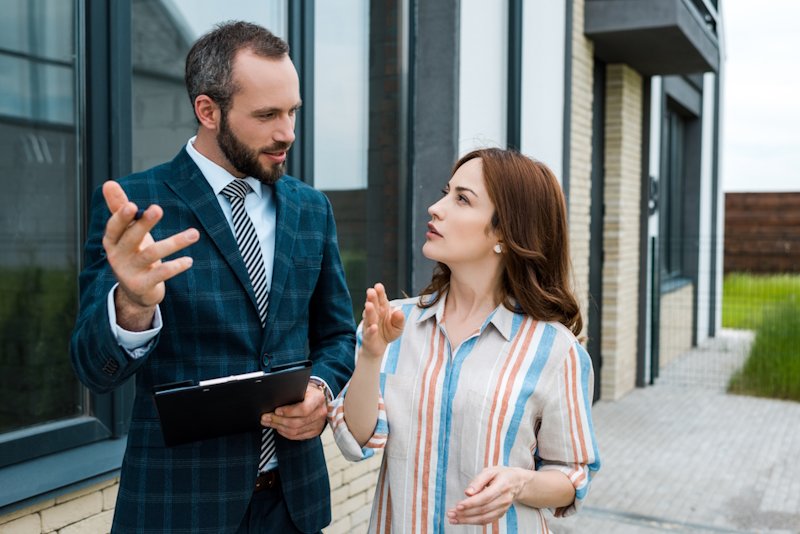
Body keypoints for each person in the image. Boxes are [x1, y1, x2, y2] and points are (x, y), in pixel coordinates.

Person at [70, 21, 356, 533]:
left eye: (292, 111)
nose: (287, 132)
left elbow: (336, 335)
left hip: (294, 506)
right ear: (208, 111)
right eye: (267, 115)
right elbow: (94, 370)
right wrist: (133, 304)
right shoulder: (137, 209)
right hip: (179, 509)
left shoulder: (312, 209)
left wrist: (321, 389)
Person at [328, 148, 601, 532]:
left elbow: (572, 475)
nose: (435, 208)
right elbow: (354, 440)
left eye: (462, 199)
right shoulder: (394, 324)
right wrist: (371, 357)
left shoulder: (555, 350)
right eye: (446, 192)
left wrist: (519, 483)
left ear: (505, 231)